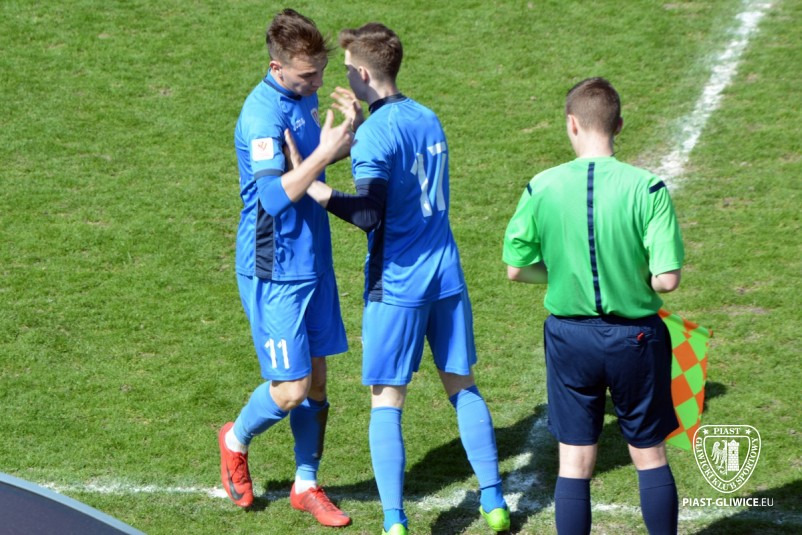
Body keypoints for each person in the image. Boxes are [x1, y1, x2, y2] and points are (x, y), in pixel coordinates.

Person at [287, 22, 509, 535]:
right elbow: (399, 160)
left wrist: (316, 188)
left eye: (347, 70)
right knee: (463, 387)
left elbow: (369, 213)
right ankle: (495, 502)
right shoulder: (428, 117)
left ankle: (394, 522)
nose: (343, 77)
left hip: (398, 284)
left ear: (364, 75)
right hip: (446, 275)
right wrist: (357, 131)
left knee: (387, 402)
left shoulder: (376, 135)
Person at [502, 77, 684, 534]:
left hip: (570, 339)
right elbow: (666, 280)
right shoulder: (648, 188)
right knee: (650, 456)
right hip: (636, 339)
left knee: (574, 463)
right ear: (618, 125)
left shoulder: (540, 186)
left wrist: (567, 274)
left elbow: (516, 269)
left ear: (571, 124)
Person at [217, 8, 354, 528]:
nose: (316, 83)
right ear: (277, 68)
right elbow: (273, 197)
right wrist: (324, 154)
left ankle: (305, 485)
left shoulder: (302, 96)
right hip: (275, 268)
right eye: (307, 75)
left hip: (313, 260)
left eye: (320, 73)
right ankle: (235, 439)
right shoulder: (261, 117)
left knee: (317, 384)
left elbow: (307, 163)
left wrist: (346, 136)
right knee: (292, 388)